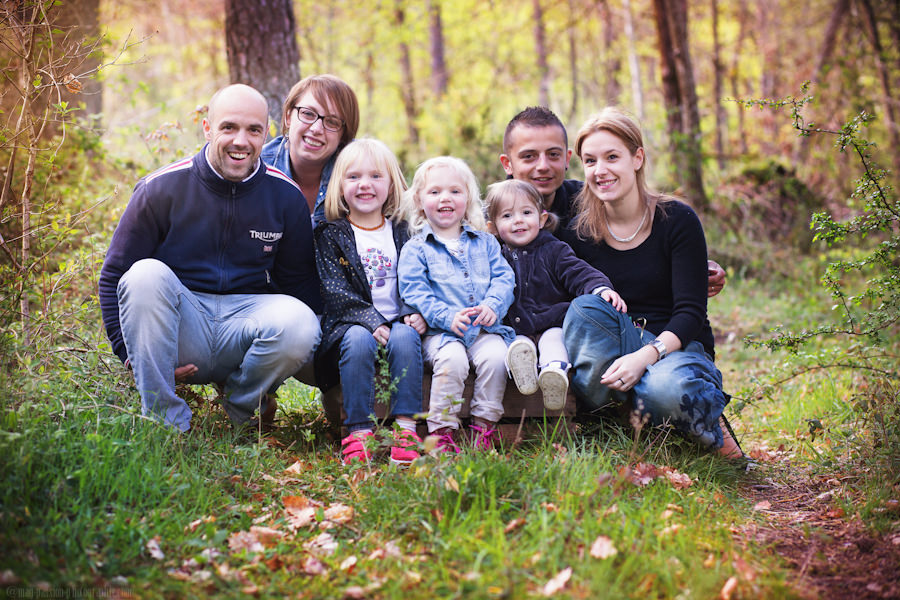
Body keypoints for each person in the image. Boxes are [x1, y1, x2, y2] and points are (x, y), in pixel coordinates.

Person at [98, 84, 322, 433]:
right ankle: (164, 421)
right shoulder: (161, 188)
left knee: (302, 321)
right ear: (207, 128)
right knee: (144, 274)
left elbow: (299, 283)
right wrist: (130, 358)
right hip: (182, 327)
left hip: (245, 324)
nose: (240, 141)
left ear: (267, 134)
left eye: (253, 130)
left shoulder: (285, 196)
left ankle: (243, 408)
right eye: (229, 127)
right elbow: (115, 275)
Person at [560, 108, 742, 457]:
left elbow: (690, 312)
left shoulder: (676, 219)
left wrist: (645, 356)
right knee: (584, 309)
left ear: (637, 157)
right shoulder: (578, 228)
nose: (601, 170)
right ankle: (622, 415)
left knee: (664, 389)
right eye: (590, 160)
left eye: (612, 157)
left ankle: (689, 407)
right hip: (614, 343)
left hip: (674, 347)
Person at [499, 106, 726, 298]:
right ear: (507, 164)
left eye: (553, 155)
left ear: (568, 159)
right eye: (529, 156)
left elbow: (640, 245)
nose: (543, 166)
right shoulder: (491, 217)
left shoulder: (591, 199)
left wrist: (693, 268)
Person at [315, 138, 427, 466]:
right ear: (339, 185)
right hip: (351, 326)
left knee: (407, 336)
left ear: (392, 183)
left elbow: (418, 279)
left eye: (376, 176)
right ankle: (358, 431)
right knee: (358, 338)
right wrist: (370, 319)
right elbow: (333, 290)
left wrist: (415, 312)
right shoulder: (330, 234)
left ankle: (405, 430)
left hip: (398, 323)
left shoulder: (404, 232)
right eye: (353, 177)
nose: (365, 184)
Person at [398, 157, 516, 453]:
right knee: (453, 361)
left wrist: (493, 305)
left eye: (455, 191)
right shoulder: (416, 248)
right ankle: (442, 431)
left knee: (497, 356)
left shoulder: (486, 243)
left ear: (468, 199)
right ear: (419, 200)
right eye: (435, 192)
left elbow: (504, 278)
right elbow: (414, 291)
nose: (445, 198)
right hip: (440, 334)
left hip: (482, 331)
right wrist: (446, 316)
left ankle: (483, 427)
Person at [483, 179, 626, 411]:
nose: (518, 220)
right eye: (507, 216)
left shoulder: (554, 250)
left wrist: (600, 288)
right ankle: (524, 375)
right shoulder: (495, 258)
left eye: (526, 212)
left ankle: (554, 373)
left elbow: (578, 273)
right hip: (516, 328)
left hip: (552, 321)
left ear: (542, 219)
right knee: (517, 346)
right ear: (492, 227)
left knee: (553, 340)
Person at [261, 74, 360, 226]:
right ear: (288, 117)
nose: (316, 129)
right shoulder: (258, 168)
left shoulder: (362, 169)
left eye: (332, 122)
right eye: (308, 113)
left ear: (344, 135)